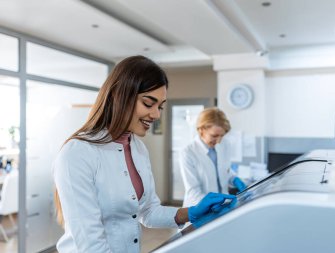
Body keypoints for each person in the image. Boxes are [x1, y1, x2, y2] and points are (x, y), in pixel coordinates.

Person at [53, 55, 236, 253]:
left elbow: (148, 211)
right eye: (149, 103)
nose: (157, 114)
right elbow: (90, 246)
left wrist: (191, 213)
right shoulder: (78, 153)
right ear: (119, 96)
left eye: (160, 106)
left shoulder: (138, 148)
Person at [179, 107, 246, 208]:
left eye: (221, 136)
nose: (218, 141)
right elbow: (193, 191)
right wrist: (211, 203)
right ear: (201, 130)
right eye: (214, 136)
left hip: (224, 205)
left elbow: (225, 171)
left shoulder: (224, 144)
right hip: (199, 208)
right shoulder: (188, 152)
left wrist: (234, 179)